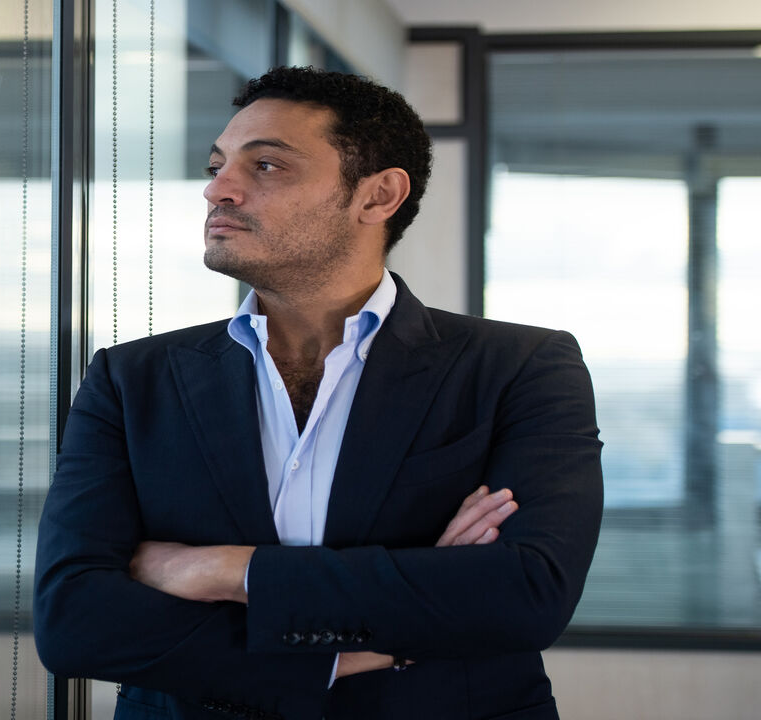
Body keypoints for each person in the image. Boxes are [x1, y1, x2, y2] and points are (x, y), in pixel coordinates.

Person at [34, 66, 603, 720]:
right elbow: (74, 621)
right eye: (216, 165)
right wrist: (392, 626)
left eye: (267, 166)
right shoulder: (130, 379)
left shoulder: (519, 367)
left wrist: (218, 570)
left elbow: (525, 596)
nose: (219, 189)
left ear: (378, 196)